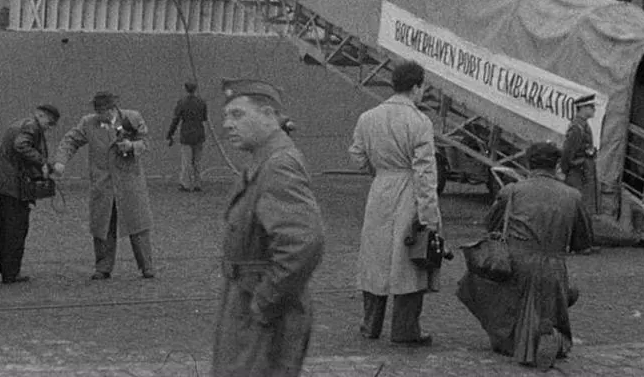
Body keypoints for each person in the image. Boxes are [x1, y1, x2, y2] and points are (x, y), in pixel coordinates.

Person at [212, 80, 325, 377]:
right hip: (247, 302)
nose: (227, 125)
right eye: (226, 117)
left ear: (267, 115)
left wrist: (264, 303)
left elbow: (302, 244)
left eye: (237, 115)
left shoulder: (278, 166)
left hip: (264, 312)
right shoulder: (262, 161)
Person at [457, 141, 593, 369]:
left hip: (515, 264)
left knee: (472, 284)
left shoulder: (512, 191)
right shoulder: (573, 196)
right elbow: (583, 242)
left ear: (529, 164)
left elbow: (490, 224)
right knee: (554, 303)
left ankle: (511, 340)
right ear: (556, 165)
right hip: (554, 268)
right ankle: (552, 339)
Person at [348, 61, 441, 345]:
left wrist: (378, 171)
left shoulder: (368, 117)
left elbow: (357, 155)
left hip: (380, 189)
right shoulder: (420, 121)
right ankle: (405, 330)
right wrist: (429, 215)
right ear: (416, 87)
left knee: (375, 257)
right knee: (411, 261)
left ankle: (370, 325)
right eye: (422, 87)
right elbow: (425, 172)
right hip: (409, 191)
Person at [53, 91, 155, 279]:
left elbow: (146, 142)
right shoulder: (88, 123)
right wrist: (61, 161)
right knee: (102, 226)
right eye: (98, 110)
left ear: (113, 108)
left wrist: (132, 147)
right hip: (102, 183)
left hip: (129, 182)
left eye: (104, 110)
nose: (101, 114)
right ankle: (103, 267)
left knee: (138, 225)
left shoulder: (132, 118)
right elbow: (70, 140)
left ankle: (146, 266)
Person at [0, 103, 61, 284]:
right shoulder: (31, 126)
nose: (48, 128)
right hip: (12, 186)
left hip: (2, 183)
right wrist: (42, 163)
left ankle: (8, 270)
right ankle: (11, 272)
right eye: (49, 124)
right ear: (41, 116)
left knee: (6, 229)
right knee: (15, 229)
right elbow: (21, 145)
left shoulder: (21, 123)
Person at [560, 93, 599, 218]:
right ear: (582, 108)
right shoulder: (577, 128)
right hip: (576, 173)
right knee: (575, 206)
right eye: (591, 106)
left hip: (583, 171)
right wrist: (565, 170)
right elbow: (567, 153)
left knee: (581, 206)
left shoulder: (584, 125)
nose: (594, 109)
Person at [166, 81, 209, 192]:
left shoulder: (182, 102)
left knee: (186, 160)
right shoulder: (202, 102)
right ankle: (197, 183)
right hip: (199, 133)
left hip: (186, 134)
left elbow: (175, 119)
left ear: (185, 89)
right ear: (195, 89)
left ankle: (185, 183)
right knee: (197, 161)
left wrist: (170, 134)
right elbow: (204, 118)